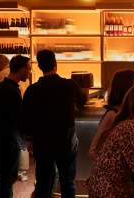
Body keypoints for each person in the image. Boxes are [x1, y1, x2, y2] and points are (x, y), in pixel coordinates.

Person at [21, 49, 86, 198]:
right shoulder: (69, 85)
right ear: (55, 64)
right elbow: (83, 100)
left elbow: (25, 118)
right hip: (65, 140)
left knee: (43, 181)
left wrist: (29, 139)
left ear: (39, 67)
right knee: (67, 181)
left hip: (42, 142)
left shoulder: (32, 90)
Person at [0, 55, 31, 198]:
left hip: (4, 138)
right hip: (8, 140)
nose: (29, 72)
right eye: (28, 69)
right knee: (7, 177)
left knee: (6, 176)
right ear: (20, 69)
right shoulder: (10, 90)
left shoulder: (5, 87)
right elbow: (16, 119)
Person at [89, 69, 134, 160]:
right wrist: (110, 164)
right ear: (126, 86)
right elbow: (93, 150)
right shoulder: (112, 114)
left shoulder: (129, 112)